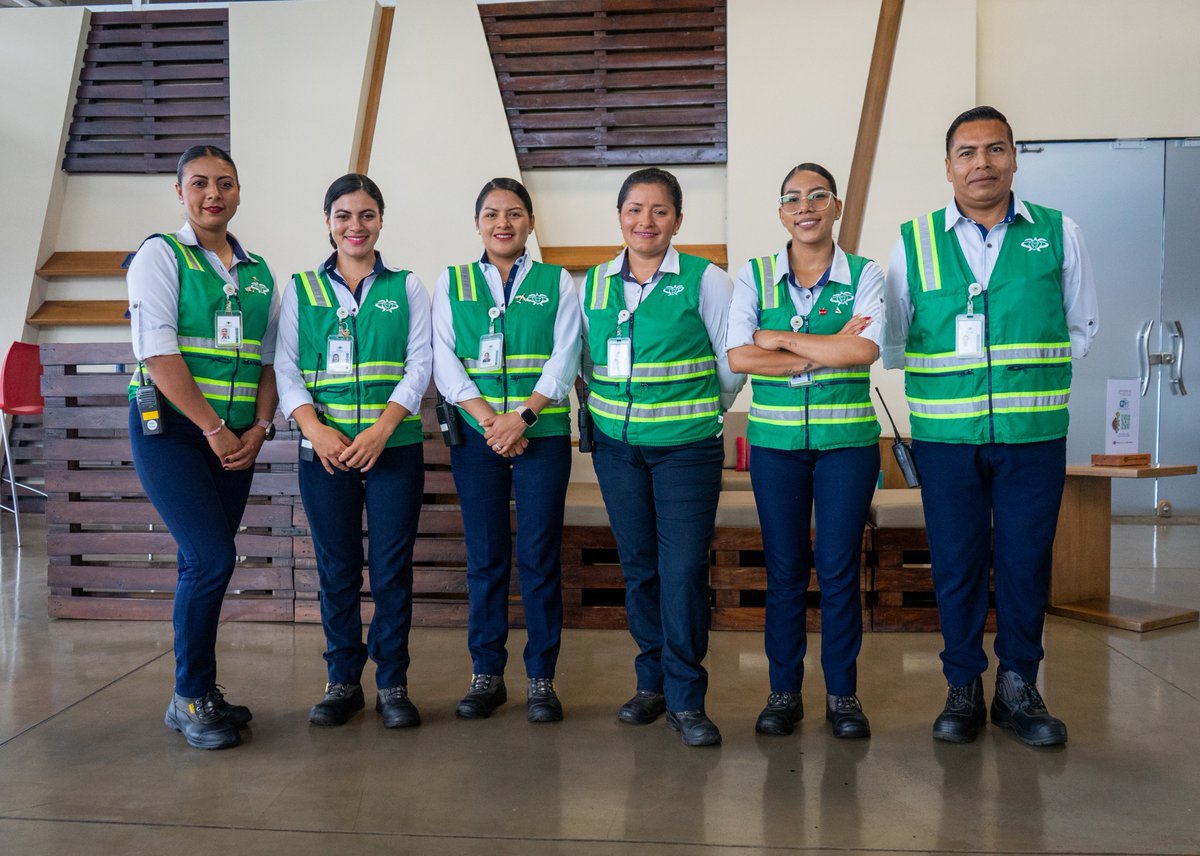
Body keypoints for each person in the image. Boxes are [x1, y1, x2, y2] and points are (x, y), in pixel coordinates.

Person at [883, 106, 1098, 747]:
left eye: (995, 150)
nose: (982, 163)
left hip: (1033, 435)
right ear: (948, 166)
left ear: (1013, 157)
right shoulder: (913, 241)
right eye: (968, 152)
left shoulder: (1059, 233)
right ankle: (963, 688)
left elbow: (1081, 328)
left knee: (1026, 562)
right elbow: (894, 340)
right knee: (956, 565)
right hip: (947, 438)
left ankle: (1019, 690)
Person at [580, 167, 743, 747]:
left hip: (687, 451)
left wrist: (702, 412)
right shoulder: (594, 283)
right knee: (640, 568)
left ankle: (686, 698)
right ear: (619, 216)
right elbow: (582, 361)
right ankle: (650, 684)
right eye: (634, 210)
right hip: (617, 450)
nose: (645, 221)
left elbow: (732, 362)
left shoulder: (706, 279)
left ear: (677, 219)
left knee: (682, 571)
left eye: (659, 211)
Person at [126, 145, 279, 751]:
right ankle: (189, 695)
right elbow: (159, 356)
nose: (212, 194)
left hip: (237, 438)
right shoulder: (160, 256)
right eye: (199, 183)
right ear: (180, 192)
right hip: (176, 433)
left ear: (239, 192)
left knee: (211, 562)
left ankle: (200, 691)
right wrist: (216, 430)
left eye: (225, 183)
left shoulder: (259, 270)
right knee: (209, 559)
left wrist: (258, 430)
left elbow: (270, 362)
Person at [727, 163, 884, 740]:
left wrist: (784, 339)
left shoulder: (866, 273)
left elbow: (864, 350)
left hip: (847, 446)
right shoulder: (755, 275)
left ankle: (843, 695)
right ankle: (783, 692)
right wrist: (822, 348)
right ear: (781, 212)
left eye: (818, 195)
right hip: (775, 447)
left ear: (836, 207)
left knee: (839, 571)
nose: (805, 205)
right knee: (786, 572)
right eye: (793, 197)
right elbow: (740, 358)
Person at [274, 174, 431, 729]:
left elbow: (420, 366)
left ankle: (392, 682)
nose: (355, 226)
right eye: (343, 215)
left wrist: (383, 429)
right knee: (337, 568)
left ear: (381, 221)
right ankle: (342, 680)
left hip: (394, 447)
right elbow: (286, 367)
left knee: (391, 569)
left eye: (366, 215)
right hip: (326, 451)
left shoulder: (406, 286)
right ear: (328, 223)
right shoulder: (301, 289)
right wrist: (315, 431)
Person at [432, 177, 581, 723]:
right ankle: (486, 675)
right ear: (477, 223)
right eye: (492, 214)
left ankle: (542, 679)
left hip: (539, 435)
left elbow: (565, 355)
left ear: (530, 223)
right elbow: (443, 357)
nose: (503, 223)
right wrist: (489, 420)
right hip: (477, 437)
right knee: (486, 557)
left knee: (539, 557)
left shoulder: (555, 281)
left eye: (515, 214)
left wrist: (522, 417)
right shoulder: (453, 282)